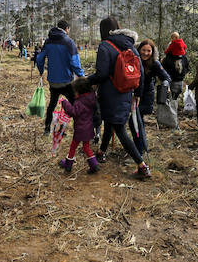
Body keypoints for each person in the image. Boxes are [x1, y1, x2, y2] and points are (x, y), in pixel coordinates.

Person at [88, 17, 151, 178]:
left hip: (110, 93)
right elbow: (140, 72)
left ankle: (142, 165)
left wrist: (86, 80)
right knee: (111, 122)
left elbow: (101, 74)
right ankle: (101, 152)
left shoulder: (105, 46)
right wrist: (137, 94)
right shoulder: (130, 44)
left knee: (119, 128)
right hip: (126, 92)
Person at [36, 20, 85, 135]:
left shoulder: (48, 41)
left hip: (53, 81)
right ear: (66, 28)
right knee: (74, 105)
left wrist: (41, 70)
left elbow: (39, 59)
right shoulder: (68, 42)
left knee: (52, 104)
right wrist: (81, 76)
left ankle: (47, 129)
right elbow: (75, 63)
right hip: (67, 81)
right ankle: (79, 129)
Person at [134, 38, 171, 154]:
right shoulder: (134, 60)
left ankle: (141, 150)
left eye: (148, 51)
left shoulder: (155, 63)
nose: (145, 53)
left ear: (152, 52)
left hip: (146, 96)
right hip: (134, 95)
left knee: (137, 121)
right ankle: (140, 148)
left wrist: (165, 84)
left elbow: (166, 77)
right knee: (137, 122)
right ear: (139, 50)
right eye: (143, 50)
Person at [58, 77, 100, 174]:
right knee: (86, 147)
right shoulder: (92, 98)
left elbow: (73, 112)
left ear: (79, 91)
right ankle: (94, 165)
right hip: (89, 128)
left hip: (80, 129)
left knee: (73, 146)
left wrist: (65, 103)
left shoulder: (79, 102)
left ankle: (68, 165)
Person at [161, 33, 190, 100]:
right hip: (180, 81)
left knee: (170, 100)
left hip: (171, 81)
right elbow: (187, 67)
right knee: (175, 99)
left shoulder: (169, 57)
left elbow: (163, 69)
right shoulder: (183, 57)